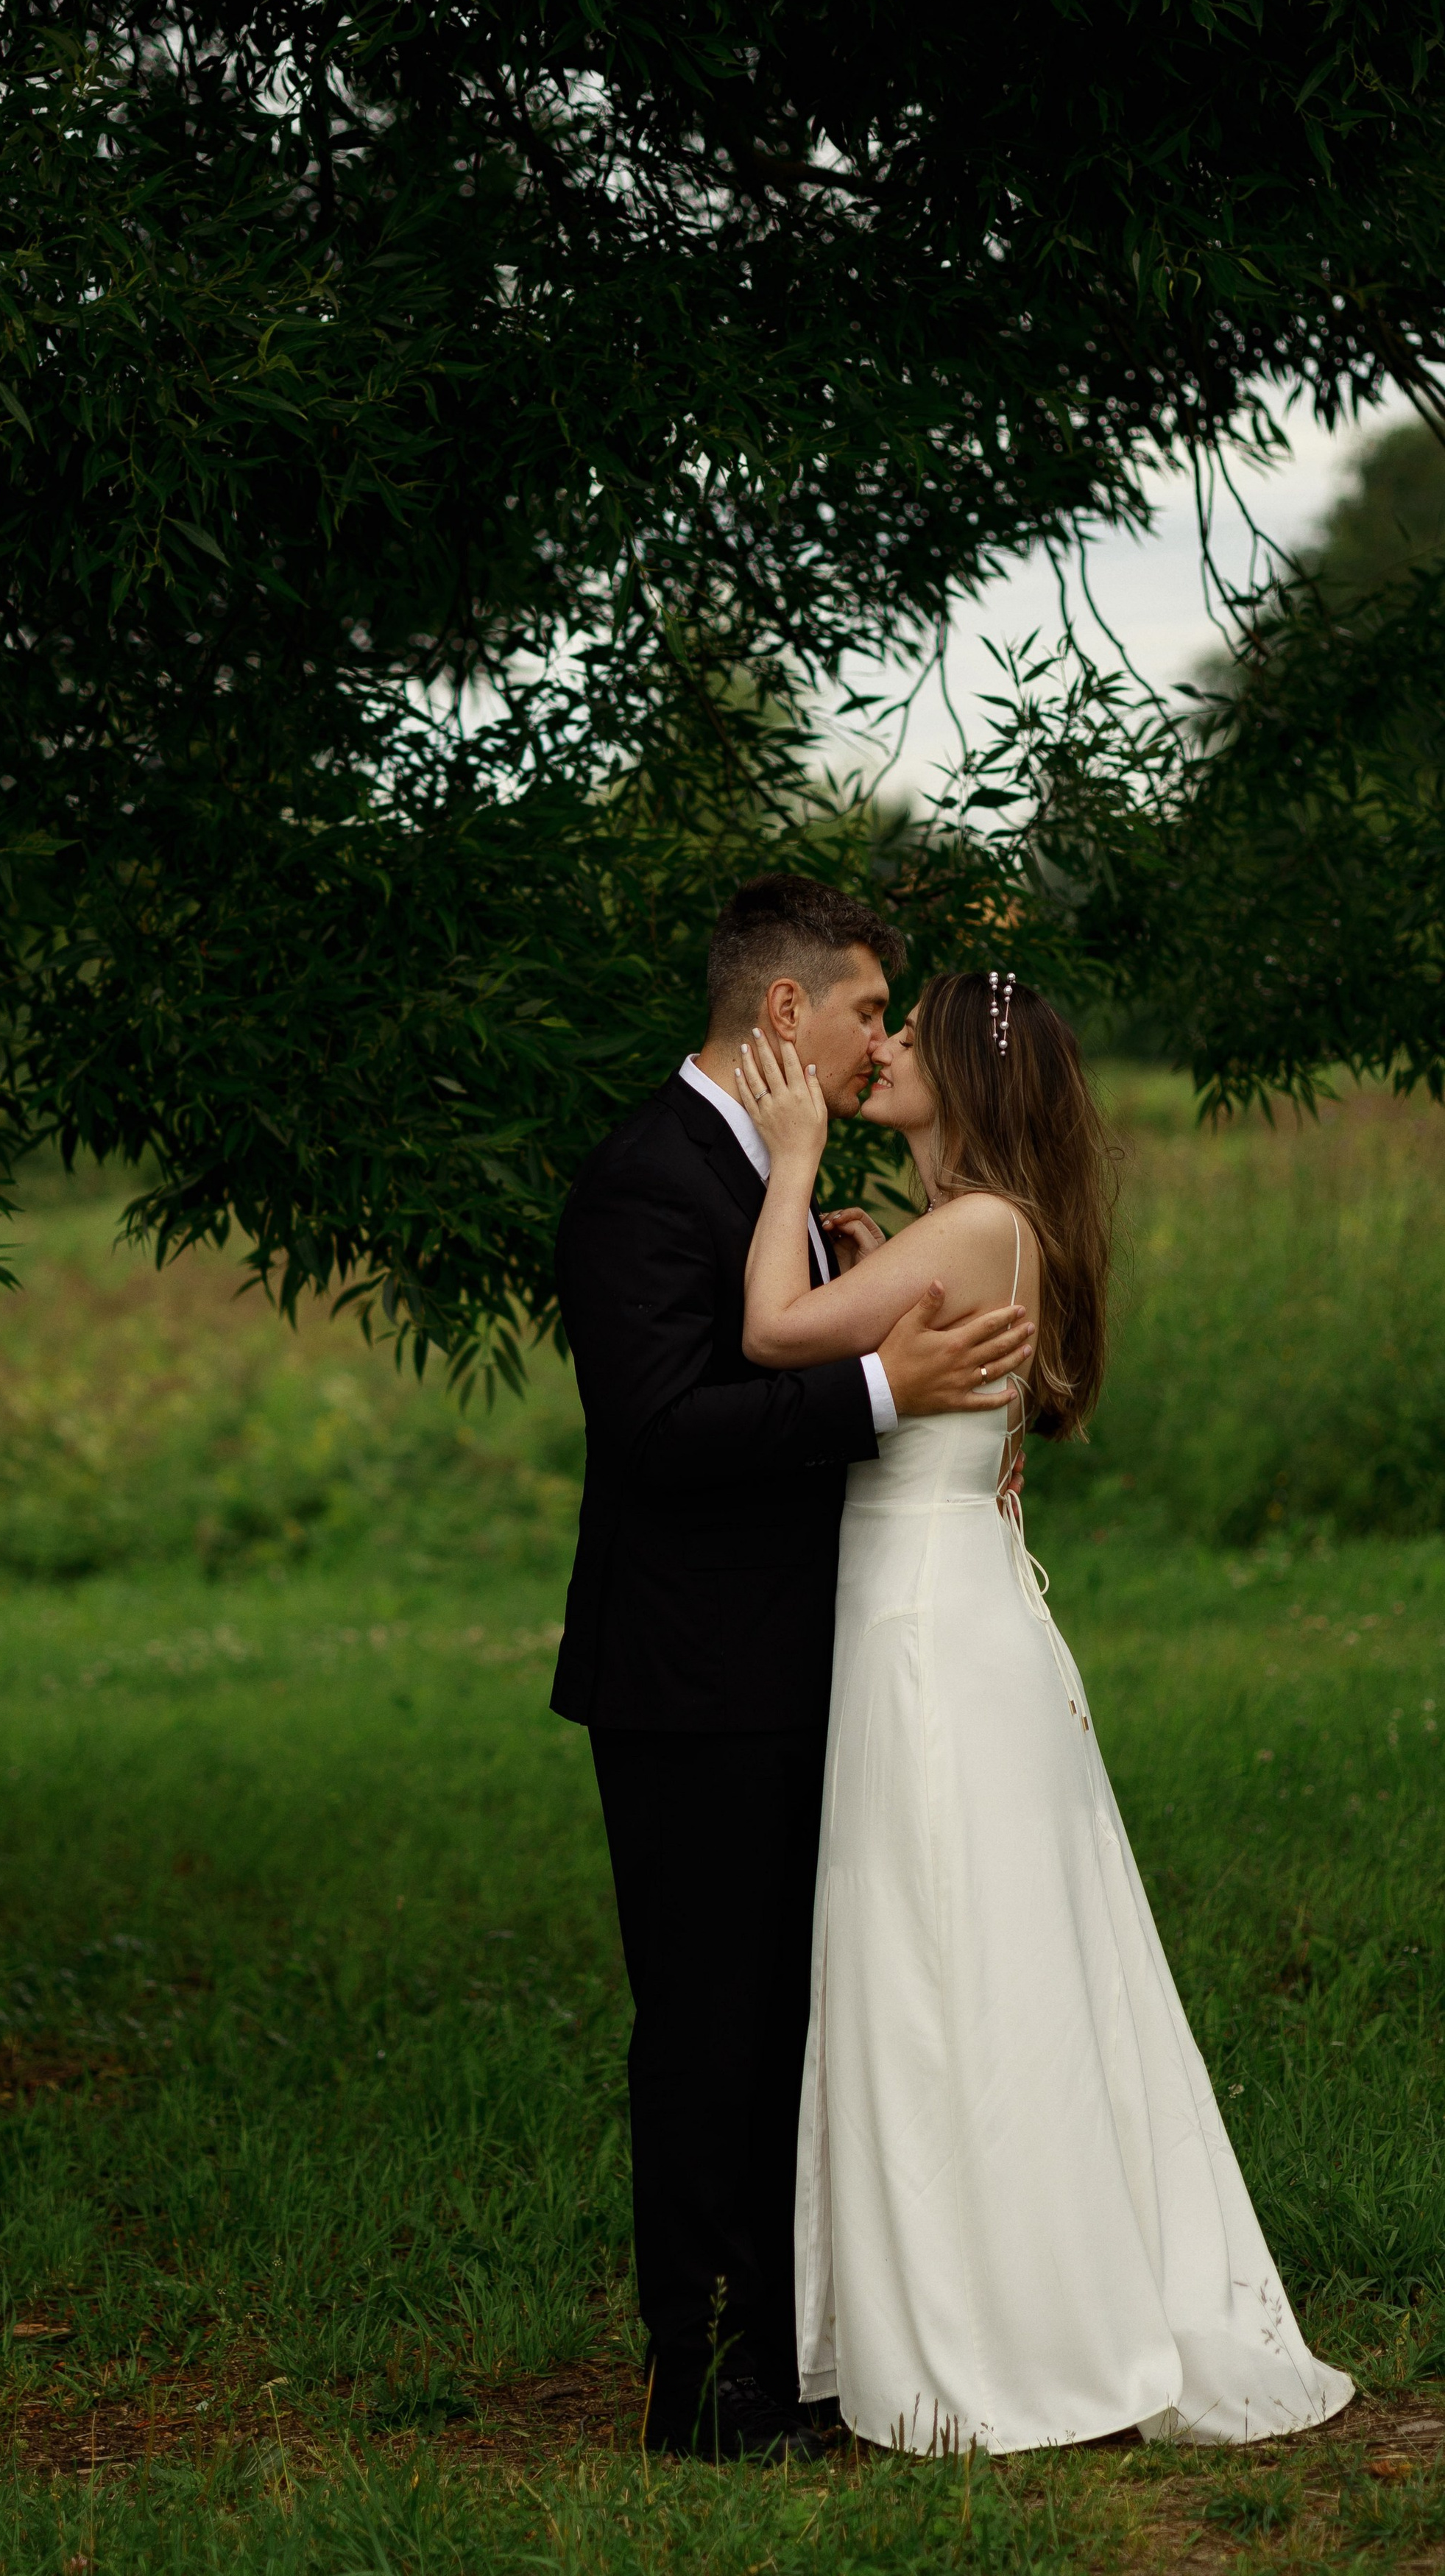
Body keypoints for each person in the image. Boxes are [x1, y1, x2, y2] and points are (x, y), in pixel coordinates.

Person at [734, 970, 1352, 2452]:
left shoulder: (977, 1225)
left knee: (945, 1954)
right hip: (950, 1607)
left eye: (902, 1033)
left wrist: (796, 1166)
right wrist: (872, 1253)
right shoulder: (984, 1230)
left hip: (926, 1630)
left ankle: (1004, 2317)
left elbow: (769, 1332)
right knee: (962, 1949)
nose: (876, 1049)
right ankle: (992, 2288)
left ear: (961, 1071)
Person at [551, 876, 1035, 2460]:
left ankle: (792, 2353)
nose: (874, 1041)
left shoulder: (780, 1177)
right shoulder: (646, 1179)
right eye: (859, 1014)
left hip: (828, 1664)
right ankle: (696, 2386)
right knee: (708, 2029)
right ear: (781, 1013)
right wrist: (883, 1392)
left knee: (801, 2023)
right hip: (690, 1684)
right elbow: (660, 1434)